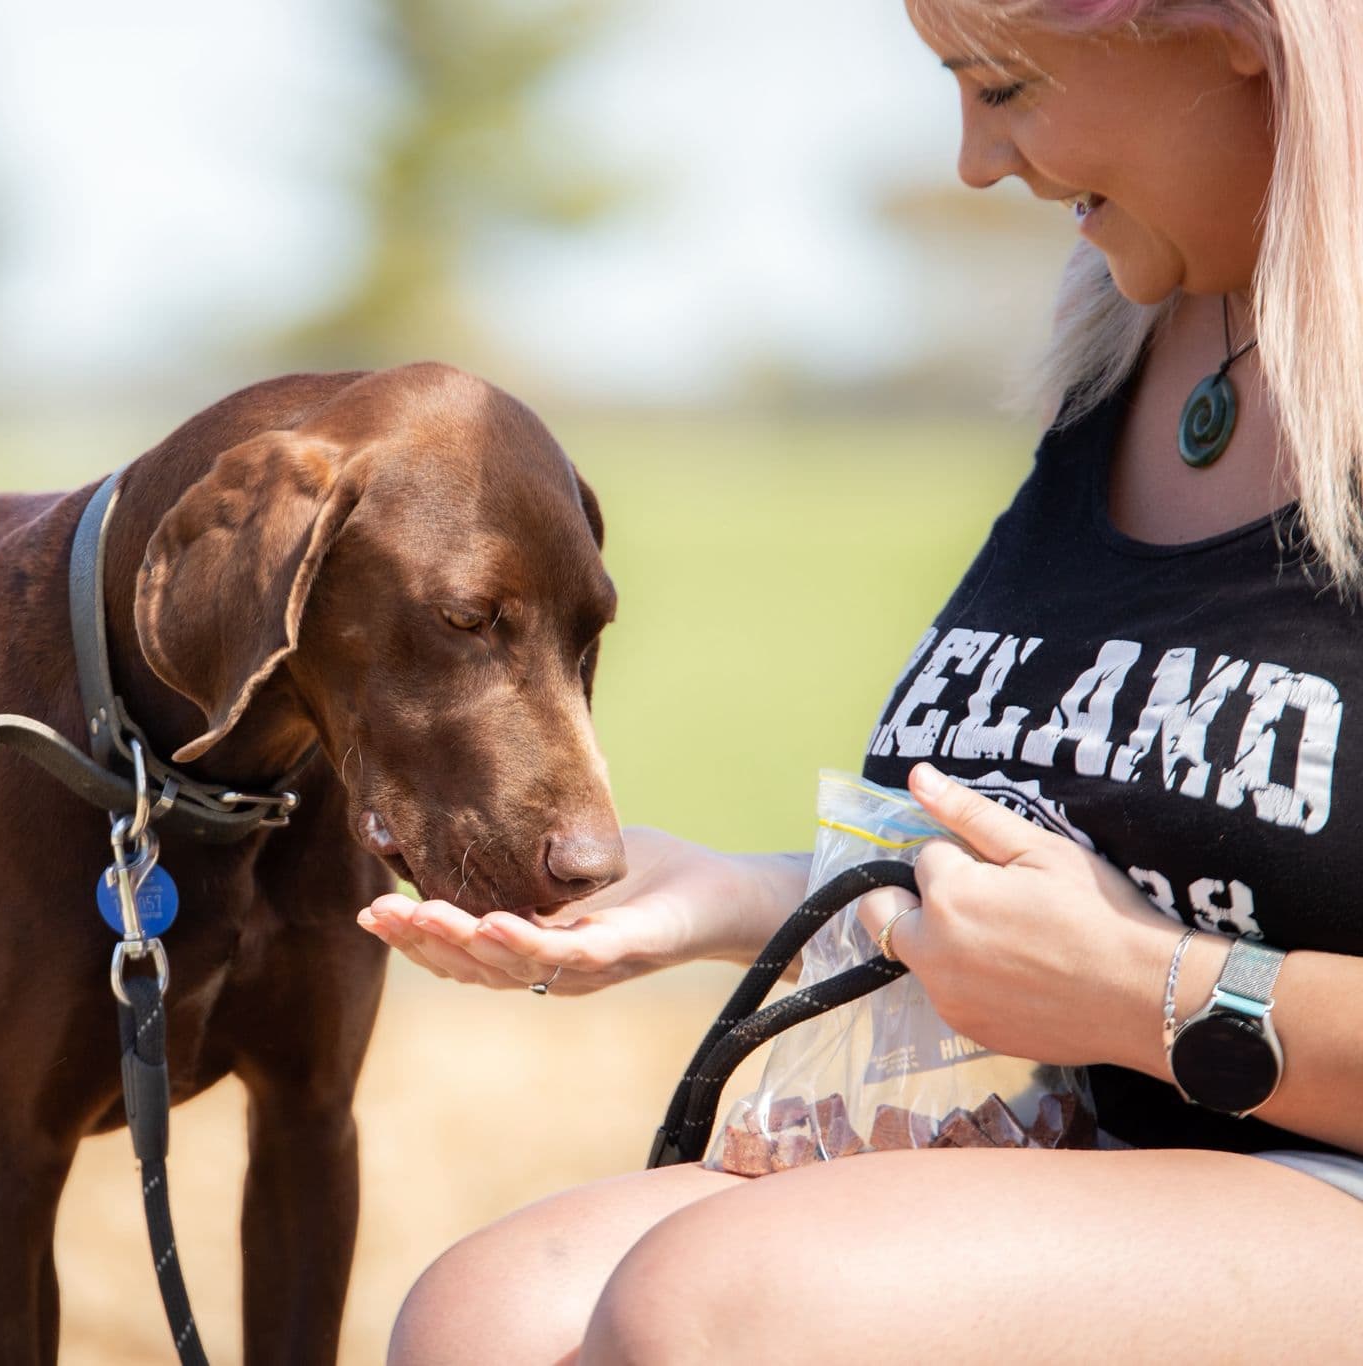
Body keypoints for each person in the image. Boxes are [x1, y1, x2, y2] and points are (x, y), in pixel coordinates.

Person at [359, 2, 1363, 1360]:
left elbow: (1137, 944)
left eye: (1004, 85)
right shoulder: (1129, 340)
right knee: (484, 1313)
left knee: (720, 1303)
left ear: (1237, 28)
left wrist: (1156, 992)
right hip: (1157, 1167)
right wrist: (745, 895)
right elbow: (1113, 854)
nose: (974, 161)